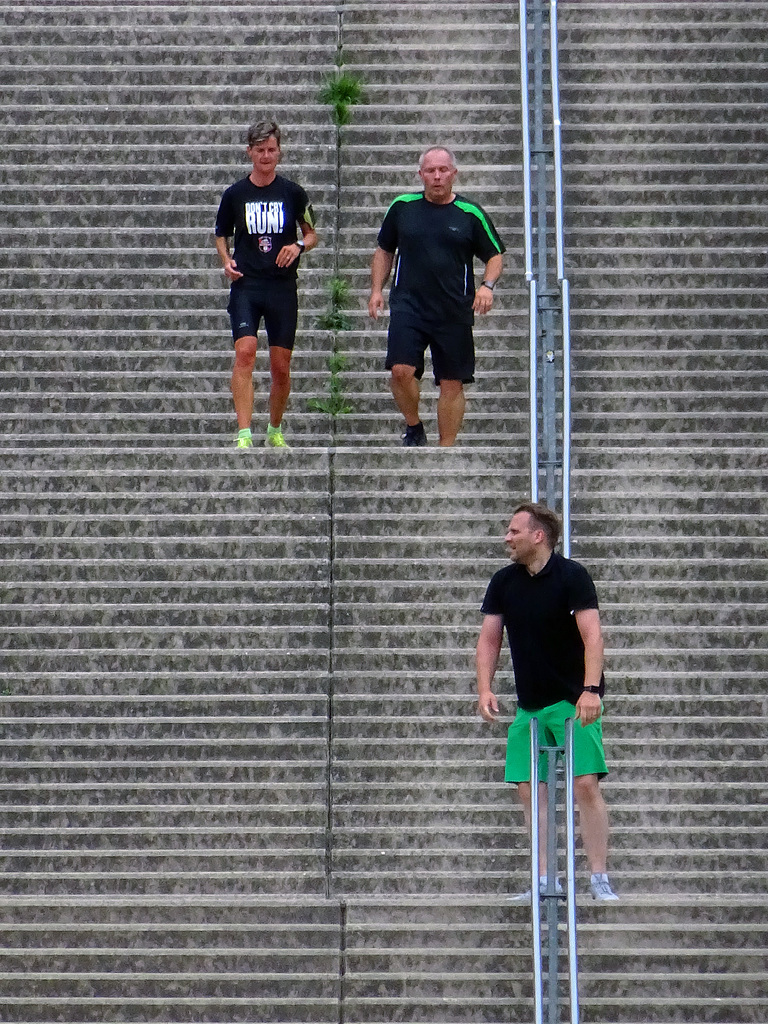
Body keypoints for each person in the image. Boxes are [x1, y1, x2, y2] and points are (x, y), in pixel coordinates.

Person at [476, 502, 620, 902]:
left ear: (538, 536)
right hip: (530, 704)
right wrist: (484, 688)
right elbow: (489, 639)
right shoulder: (504, 582)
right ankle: (543, 879)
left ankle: (598, 877)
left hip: (573, 701)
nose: (507, 538)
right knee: (528, 789)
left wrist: (590, 691)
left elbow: (593, 636)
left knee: (585, 785)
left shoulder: (572, 577)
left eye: (514, 531)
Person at [367, 146, 505, 447]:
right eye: (431, 171)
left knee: (452, 383)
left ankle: (446, 449)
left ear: (454, 174)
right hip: (409, 306)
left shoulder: (470, 213)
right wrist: (377, 290)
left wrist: (487, 286)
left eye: (443, 170)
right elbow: (384, 250)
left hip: (453, 309)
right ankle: (414, 425)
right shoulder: (403, 207)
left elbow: (495, 255)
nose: (437, 176)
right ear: (421, 175)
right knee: (401, 370)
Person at [214, 120, 318, 449]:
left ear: (279, 152)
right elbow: (221, 233)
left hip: (282, 287)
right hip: (247, 284)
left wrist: (298, 246)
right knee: (245, 352)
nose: (266, 155)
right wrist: (225, 259)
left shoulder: (293, 192)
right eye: (260, 150)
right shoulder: (235, 194)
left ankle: (274, 428)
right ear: (249, 152)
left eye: (271, 150)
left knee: (280, 366)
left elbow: (312, 233)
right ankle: (244, 432)